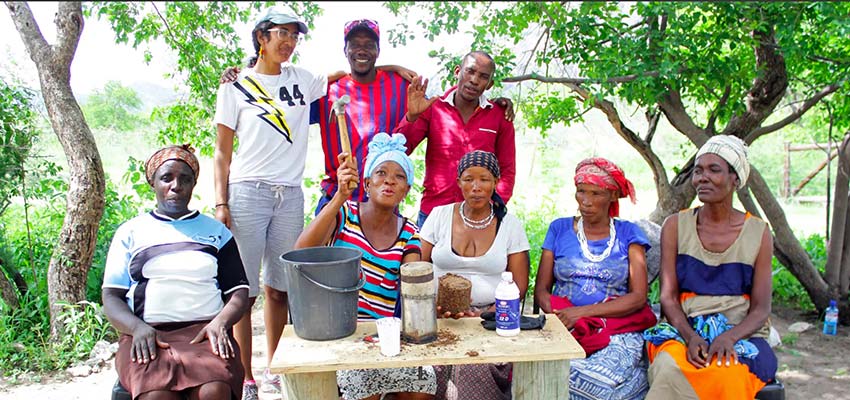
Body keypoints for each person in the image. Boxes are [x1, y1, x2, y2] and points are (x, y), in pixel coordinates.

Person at [212, 6, 329, 398]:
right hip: (247, 193)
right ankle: (245, 377)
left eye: (295, 35)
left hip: (290, 196)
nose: (290, 42)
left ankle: (275, 368)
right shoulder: (235, 86)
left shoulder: (303, 80)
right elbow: (222, 153)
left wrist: (397, 68)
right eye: (282, 33)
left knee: (279, 288)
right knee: (242, 291)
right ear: (262, 37)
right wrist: (220, 203)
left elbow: (349, 73)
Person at [295, 132, 435, 400]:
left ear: (406, 191)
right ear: (368, 183)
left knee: (422, 388)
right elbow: (301, 254)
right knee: (365, 389)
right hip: (339, 334)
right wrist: (338, 197)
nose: (389, 180)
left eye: (399, 176)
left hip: (382, 336)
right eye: (381, 173)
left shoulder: (409, 234)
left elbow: (413, 284)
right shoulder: (344, 214)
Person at [102, 145, 249, 400]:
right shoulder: (131, 232)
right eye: (167, 178)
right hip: (148, 336)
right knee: (157, 395)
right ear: (154, 183)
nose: (176, 185)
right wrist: (137, 328)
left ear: (193, 184)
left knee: (214, 391)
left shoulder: (217, 232)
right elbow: (112, 297)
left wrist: (221, 323)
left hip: (205, 334)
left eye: (185, 179)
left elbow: (238, 291)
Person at [644, 135, 777, 399]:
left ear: (735, 179)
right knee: (670, 369)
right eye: (698, 171)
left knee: (728, 373)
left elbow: (761, 309)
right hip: (684, 327)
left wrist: (729, 338)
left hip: (740, 331)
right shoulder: (675, 226)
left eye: (714, 170)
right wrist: (691, 337)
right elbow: (668, 297)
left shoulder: (758, 233)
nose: (702, 177)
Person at [534, 157, 656, 400]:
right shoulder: (559, 229)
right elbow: (541, 290)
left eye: (596, 193)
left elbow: (638, 297)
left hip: (614, 328)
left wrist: (581, 314)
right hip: (563, 325)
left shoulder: (628, 233)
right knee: (539, 375)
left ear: (612, 196)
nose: (586, 202)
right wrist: (561, 316)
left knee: (591, 383)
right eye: (581, 192)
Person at [419, 150, 530, 400]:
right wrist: (431, 306)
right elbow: (417, 268)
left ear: (496, 182)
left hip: (490, 320)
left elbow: (519, 285)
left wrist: (487, 313)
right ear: (458, 182)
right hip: (437, 318)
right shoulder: (439, 216)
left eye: (485, 179)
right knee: (431, 367)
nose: (476, 187)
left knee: (472, 366)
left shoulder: (510, 225)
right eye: (469, 179)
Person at [396, 51, 517, 228]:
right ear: (457, 71)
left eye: (483, 76)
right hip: (433, 214)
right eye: (470, 71)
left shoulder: (499, 116)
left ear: (489, 84)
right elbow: (400, 149)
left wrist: (493, 206)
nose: (474, 80)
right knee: (423, 257)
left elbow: (507, 169)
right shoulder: (433, 108)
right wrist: (412, 116)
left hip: (478, 217)